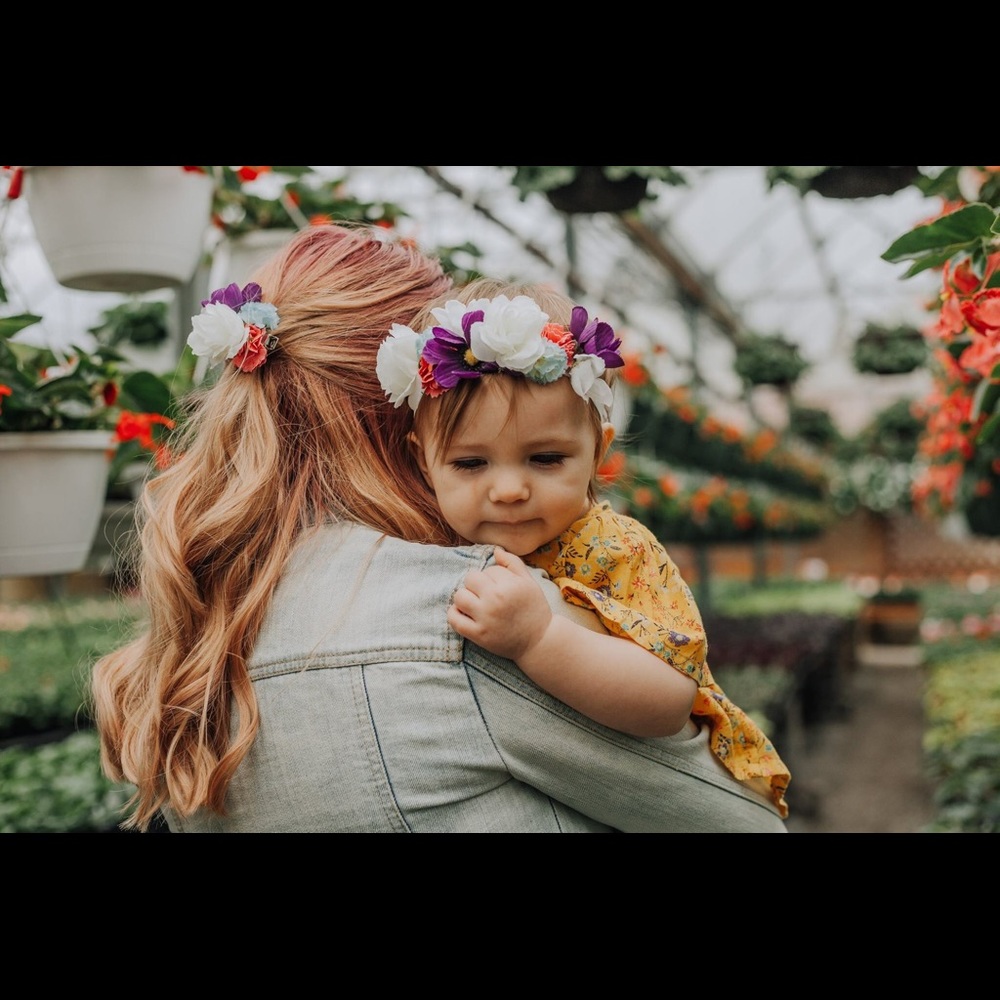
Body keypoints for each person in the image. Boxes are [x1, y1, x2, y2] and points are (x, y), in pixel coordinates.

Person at [90, 224, 788, 832]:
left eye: (543, 455)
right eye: (472, 451)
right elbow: (739, 821)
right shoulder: (474, 608)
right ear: (409, 429)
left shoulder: (199, 630)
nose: (509, 487)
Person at [378, 279, 791, 818]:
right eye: (470, 463)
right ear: (422, 462)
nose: (508, 490)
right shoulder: (427, 545)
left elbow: (669, 701)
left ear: (598, 452)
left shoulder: (616, 551)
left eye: (545, 459)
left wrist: (539, 637)